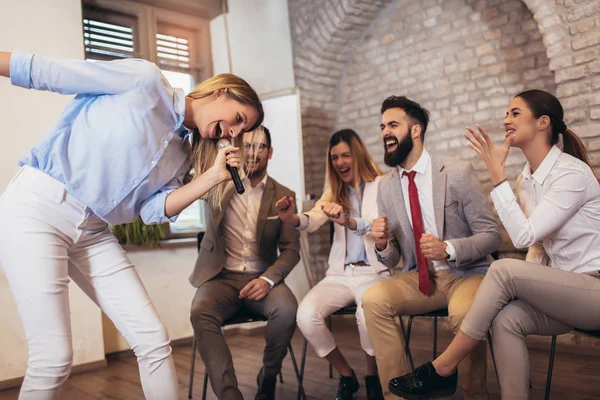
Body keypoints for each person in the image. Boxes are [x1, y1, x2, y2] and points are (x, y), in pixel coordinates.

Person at [0, 51, 263, 400]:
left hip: (92, 230)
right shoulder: (145, 80)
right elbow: (50, 71)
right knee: (53, 357)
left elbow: (153, 209)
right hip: (38, 206)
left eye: (242, 130)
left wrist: (213, 176)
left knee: (153, 339)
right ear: (222, 91)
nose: (234, 132)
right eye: (239, 118)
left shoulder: (182, 155)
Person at [388, 89, 600, 400]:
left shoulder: (571, 173)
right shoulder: (526, 180)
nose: (505, 120)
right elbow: (536, 248)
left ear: (543, 122)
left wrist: (496, 173)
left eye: (515, 113)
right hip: (564, 292)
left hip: (592, 291)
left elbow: (523, 236)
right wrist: (522, 286)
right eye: (506, 113)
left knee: (502, 270)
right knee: (505, 319)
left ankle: (443, 367)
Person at [362, 95, 501, 400]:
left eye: (393, 124)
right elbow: (395, 256)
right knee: (372, 300)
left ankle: (473, 394)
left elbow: (491, 236)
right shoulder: (386, 186)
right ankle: (397, 395)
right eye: (382, 126)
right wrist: (384, 244)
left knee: (465, 312)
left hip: (468, 273)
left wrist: (448, 248)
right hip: (421, 278)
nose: (385, 131)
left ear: (416, 130)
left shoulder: (456, 172)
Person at [189, 126, 300, 400]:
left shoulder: (284, 195)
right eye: (247, 146)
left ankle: (268, 377)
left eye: (260, 147)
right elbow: (183, 178)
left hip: (263, 278)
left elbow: (291, 249)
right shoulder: (218, 181)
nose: (252, 153)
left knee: (287, 310)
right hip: (220, 278)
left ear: (270, 153)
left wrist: (267, 279)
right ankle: (229, 395)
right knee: (200, 311)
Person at [276, 129, 388, 400]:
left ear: (358, 154)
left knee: (366, 315)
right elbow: (313, 219)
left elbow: (383, 229)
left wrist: (349, 219)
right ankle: (347, 375)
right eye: (335, 157)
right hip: (339, 274)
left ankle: (372, 374)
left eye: (345, 155)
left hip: (374, 273)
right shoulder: (334, 191)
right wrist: (291, 218)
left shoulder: (383, 185)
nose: (339, 162)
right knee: (306, 314)